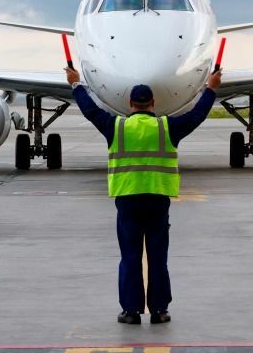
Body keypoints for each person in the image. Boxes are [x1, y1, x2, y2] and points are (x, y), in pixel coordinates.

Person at [65, 66, 222, 325]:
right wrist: (211, 88)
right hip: (158, 199)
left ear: (130, 103)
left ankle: (131, 311)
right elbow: (197, 115)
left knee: (130, 257)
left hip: (127, 200)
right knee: (158, 258)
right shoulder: (167, 127)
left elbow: (91, 111)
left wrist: (75, 84)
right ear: (153, 103)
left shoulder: (115, 127)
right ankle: (159, 310)